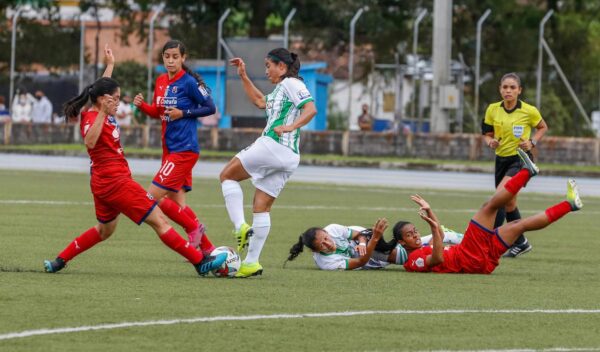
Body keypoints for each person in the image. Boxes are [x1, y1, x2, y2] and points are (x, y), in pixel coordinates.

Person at [43, 46, 226, 276]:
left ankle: (60, 260)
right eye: (115, 99)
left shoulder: (98, 104)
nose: (118, 103)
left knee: (104, 230)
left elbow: (101, 88)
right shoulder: (93, 115)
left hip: (103, 183)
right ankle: (200, 261)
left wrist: (110, 65)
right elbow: (89, 142)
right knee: (160, 220)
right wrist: (102, 113)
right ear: (102, 101)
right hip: (115, 182)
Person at [400, 149, 582, 274]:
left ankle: (569, 204)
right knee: (490, 207)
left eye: (415, 231)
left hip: (480, 262)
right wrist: (433, 230)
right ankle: (527, 171)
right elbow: (437, 259)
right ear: (402, 243)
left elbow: (439, 233)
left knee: (519, 225)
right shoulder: (413, 261)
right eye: (409, 235)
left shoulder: (422, 247)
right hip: (469, 255)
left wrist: (430, 211)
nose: (415, 235)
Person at [221, 48, 317, 277]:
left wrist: (291, 126)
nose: (266, 71)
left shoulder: (292, 84)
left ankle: (240, 227)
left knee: (226, 176)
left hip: (274, 145)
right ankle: (251, 263)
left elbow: (311, 109)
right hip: (289, 157)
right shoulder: (279, 91)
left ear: (282, 67)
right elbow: (258, 101)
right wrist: (243, 76)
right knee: (261, 207)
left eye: (268, 65)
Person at [134, 40, 217, 255]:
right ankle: (206, 247)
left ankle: (194, 231)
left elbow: (210, 107)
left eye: (175, 57)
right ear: (162, 58)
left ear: (183, 58)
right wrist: (142, 106)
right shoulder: (161, 81)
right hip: (169, 151)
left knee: (153, 197)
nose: (170, 60)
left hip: (184, 150)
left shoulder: (189, 83)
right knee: (177, 205)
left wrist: (184, 113)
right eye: (167, 56)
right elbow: (158, 113)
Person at [482, 72, 548, 258]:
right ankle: (521, 242)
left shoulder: (529, 110)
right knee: (509, 203)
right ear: (500, 89)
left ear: (519, 90)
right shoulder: (492, 109)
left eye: (512, 87)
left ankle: (488, 242)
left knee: (501, 198)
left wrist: (532, 142)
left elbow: (543, 127)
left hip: (520, 159)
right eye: (505, 87)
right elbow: (487, 134)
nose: (508, 90)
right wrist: (490, 142)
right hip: (501, 160)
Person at [286, 222, 463, 271]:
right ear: (315, 251)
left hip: (372, 244)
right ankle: (441, 235)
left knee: (412, 258)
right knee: (415, 254)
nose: (328, 243)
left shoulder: (332, 229)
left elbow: (359, 234)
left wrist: (365, 241)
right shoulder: (326, 263)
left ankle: (447, 236)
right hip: (369, 258)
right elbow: (361, 261)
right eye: (322, 245)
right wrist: (373, 240)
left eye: (325, 238)